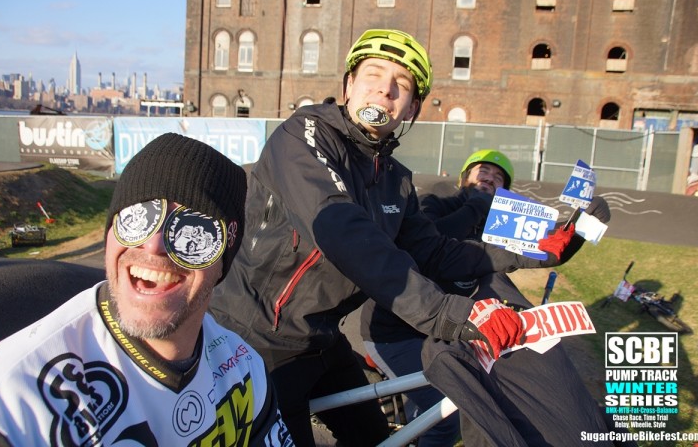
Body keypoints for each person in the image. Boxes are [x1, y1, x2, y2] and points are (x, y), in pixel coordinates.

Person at [209, 29, 578, 447]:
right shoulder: (304, 135)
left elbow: (437, 252)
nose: (385, 89)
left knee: (374, 437)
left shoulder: (396, 180)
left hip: (320, 338)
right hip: (256, 339)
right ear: (348, 85)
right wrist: (457, 315)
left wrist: (531, 251)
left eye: (401, 85)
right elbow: (343, 232)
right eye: (373, 74)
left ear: (411, 108)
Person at [0, 133, 293, 446]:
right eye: (138, 217)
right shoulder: (11, 406)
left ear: (222, 258)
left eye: (193, 230)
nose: (153, 244)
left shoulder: (243, 368)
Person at [361, 148, 621, 446]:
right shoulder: (435, 202)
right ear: (464, 177)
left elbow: (536, 252)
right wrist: (476, 206)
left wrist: (576, 234)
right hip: (397, 332)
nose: (490, 178)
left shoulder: (497, 223)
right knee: (444, 421)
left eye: (498, 178)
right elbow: (431, 244)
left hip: (454, 329)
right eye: (482, 171)